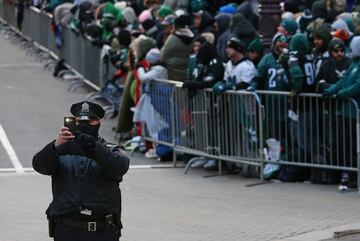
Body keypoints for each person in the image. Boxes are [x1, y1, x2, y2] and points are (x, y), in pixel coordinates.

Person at [32, 101, 130, 241]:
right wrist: (55, 146)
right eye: (79, 121)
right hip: (67, 230)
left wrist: (94, 148)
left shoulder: (111, 150)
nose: (85, 124)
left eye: (91, 120)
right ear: (72, 123)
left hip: (102, 230)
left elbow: (119, 168)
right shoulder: (61, 148)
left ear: (98, 123)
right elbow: (40, 166)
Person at [322, 36, 360, 192]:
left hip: (355, 112)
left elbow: (358, 85)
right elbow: (343, 81)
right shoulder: (354, 64)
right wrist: (330, 91)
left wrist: (341, 94)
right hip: (346, 112)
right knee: (347, 146)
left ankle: (355, 177)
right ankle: (351, 176)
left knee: (354, 146)